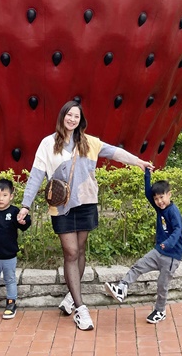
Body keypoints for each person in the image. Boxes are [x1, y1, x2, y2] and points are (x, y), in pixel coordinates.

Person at [17, 100, 153, 331]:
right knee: (70, 252)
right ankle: (81, 309)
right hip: (61, 206)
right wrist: (25, 206)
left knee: (80, 250)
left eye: (76, 116)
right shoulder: (48, 144)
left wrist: (137, 162)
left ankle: (72, 295)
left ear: (81, 120)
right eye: (69, 115)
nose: (72, 119)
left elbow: (115, 152)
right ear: (62, 117)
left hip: (86, 201)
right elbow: (36, 175)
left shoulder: (89, 142)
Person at [104, 169, 182, 324]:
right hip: (158, 251)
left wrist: (168, 243)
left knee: (162, 286)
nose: (159, 201)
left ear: (169, 195)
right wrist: (147, 174)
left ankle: (160, 311)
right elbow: (148, 194)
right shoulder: (159, 208)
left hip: (172, 255)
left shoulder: (173, 211)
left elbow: (178, 230)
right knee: (138, 266)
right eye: (156, 199)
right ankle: (121, 288)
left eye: (162, 197)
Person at [0, 178, 31, 320]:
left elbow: (25, 225)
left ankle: (11, 303)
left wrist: (24, 220)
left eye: (4, 195)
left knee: (10, 280)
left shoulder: (15, 212)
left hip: (9, 256)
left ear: (11, 196)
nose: (1, 199)